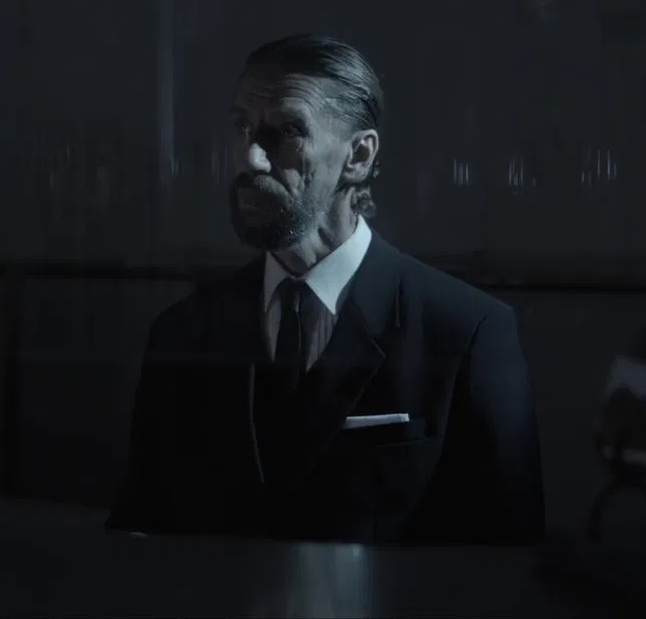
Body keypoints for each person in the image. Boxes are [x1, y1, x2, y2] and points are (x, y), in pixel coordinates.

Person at [107, 34, 545, 545]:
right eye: (242, 126)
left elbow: (505, 556)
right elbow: (140, 528)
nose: (251, 157)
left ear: (358, 156)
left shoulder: (466, 333)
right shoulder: (182, 332)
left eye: (287, 132)